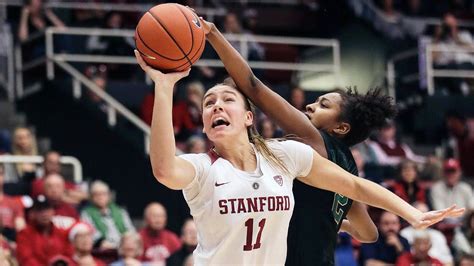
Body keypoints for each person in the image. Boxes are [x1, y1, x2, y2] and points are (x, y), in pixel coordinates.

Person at [135, 49, 463, 265]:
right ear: (205, 124)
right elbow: (164, 169)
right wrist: (163, 89)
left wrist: (411, 214)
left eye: (227, 99)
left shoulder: (290, 153)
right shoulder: (202, 166)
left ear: (250, 118)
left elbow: (357, 187)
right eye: (208, 103)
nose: (217, 105)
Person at [200, 16, 393, 266]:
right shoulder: (347, 168)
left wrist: (214, 34)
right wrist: (332, 222)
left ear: (341, 127)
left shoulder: (313, 138)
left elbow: (252, 85)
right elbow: (369, 233)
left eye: (323, 105)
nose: (311, 106)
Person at [16, 197, 73, 266]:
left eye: (47, 209)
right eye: (40, 210)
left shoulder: (62, 234)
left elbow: (70, 257)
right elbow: (26, 259)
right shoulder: (24, 234)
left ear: (53, 211)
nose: (44, 214)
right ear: (33, 213)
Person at [81, 180, 135, 250]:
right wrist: (102, 242)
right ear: (91, 197)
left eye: (103, 194)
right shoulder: (86, 213)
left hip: (124, 247)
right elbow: (92, 233)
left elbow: (130, 230)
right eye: (96, 194)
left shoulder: (120, 211)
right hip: (103, 249)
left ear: (109, 195)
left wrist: (127, 239)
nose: (100, 197)